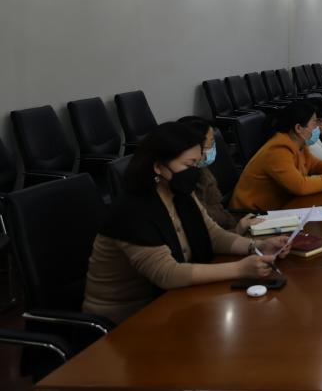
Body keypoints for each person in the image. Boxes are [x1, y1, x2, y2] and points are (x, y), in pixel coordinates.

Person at [83, 122, 289, 324]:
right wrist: (239, 269)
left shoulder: (179, 192)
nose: (195, 172)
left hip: (171, 302)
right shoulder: (132, 211)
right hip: (126, 319)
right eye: (189, 165)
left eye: (197, 164)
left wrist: (257, 247)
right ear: (158, 167)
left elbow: (213, 235)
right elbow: (167, 274)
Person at [230, 101, 322, 211]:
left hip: (280, 206)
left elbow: (314, 165)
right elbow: (300, 186)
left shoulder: (299, 144)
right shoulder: (277, 150)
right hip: (251, 213)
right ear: (298, 128)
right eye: (314, 123)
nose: (317, 127)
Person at [176, 116, 258, 234]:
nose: (213, 146)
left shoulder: (201, 169)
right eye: (211, 141)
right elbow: (206, 230)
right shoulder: (187, 181)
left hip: (229, 226)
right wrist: (237, 231)